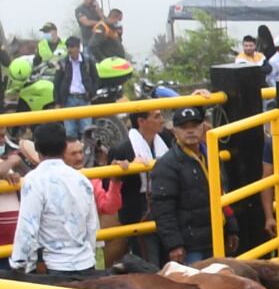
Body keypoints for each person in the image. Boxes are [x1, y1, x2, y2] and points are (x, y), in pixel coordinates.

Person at [8, 123, 96, 277]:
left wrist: (18, 264)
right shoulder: (82, 180)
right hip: (86, 263)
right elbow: (92, 226)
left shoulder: (34, 180)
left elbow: (27, 228)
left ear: (37, 148)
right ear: (64, 147)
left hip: (53, 268)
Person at [149, 104, 218, 264]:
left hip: (214, 237)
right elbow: (163, 209)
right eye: (184, 127)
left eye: (194, 126)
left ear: (203, 127)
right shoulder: (166, 165)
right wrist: (174, 244)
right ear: (174, 131)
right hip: (190, 245)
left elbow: (222, 193)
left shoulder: (211, 157)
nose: (190, 131)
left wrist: (231, 227)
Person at [104, 106, 170, 266]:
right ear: (141, 121)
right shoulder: (122, 149)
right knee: (150, 262)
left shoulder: (166, 139)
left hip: (165, 208)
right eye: (156, 116)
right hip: (139, 213)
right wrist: (126, 169)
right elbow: (108, 184)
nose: (162, 120)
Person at [53, 36, 99, 138]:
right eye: (68, 47)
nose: (70, 50)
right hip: (69, 99)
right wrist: (57, 102)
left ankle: (86, 148)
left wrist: (92, 92)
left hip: (84, 99)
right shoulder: (63, 63)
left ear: (78, 48)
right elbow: (56, 83)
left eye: (72, 47)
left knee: (86, 130)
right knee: (70, 131)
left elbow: (96, 79)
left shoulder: (88, 61)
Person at [0, 129, 38, 248]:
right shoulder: (8, 161)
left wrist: (12, 176)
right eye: (0, 136)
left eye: (3, 136)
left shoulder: (3, 161)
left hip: (13, 241)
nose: (3, 141)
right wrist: (11, 162)